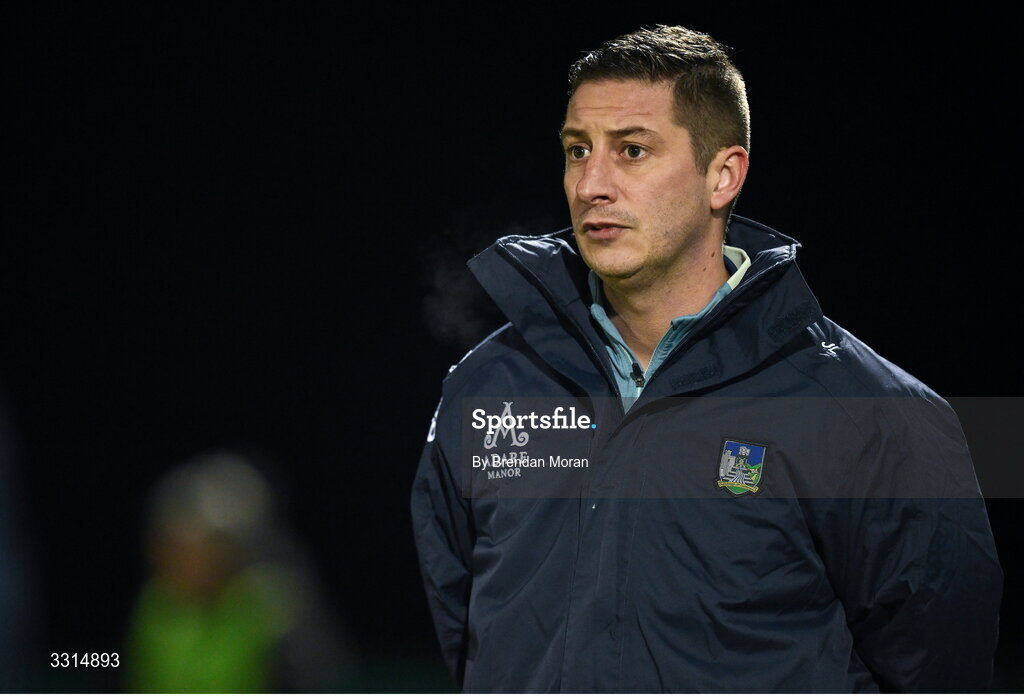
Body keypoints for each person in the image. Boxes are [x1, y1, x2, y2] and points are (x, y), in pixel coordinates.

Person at [411, 25, 1002, 692]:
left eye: (632, 150)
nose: (591, 183)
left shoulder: (871, 413)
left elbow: (939, 663)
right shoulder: (487, 389)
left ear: (723, 175)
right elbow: (468, 631)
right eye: (578, 151)